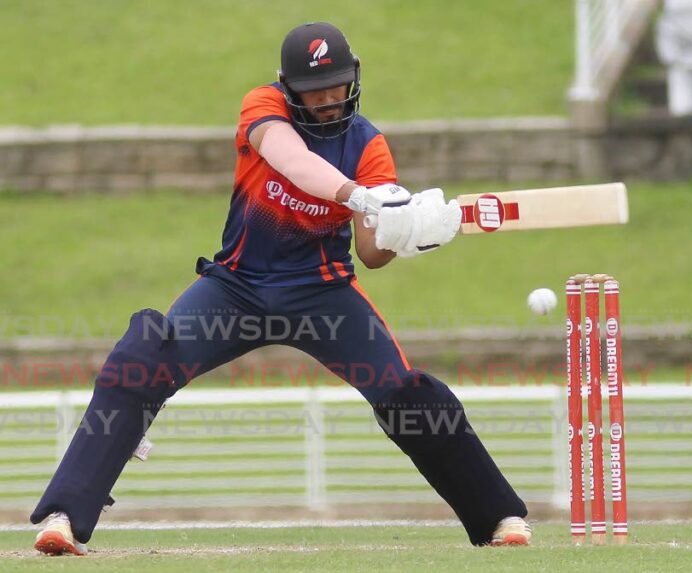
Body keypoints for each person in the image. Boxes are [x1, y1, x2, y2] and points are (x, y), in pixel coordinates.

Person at [30, 22, 530, 556]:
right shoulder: (262, 107)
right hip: (236, 289)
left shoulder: (368, 145)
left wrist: (412, 234)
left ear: (353, 78)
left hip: (323, 298)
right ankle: (64, 518)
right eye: (314, 91)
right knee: (140, 362)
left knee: (406, 393)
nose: (328, 99)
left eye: (337, 86)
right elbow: (293, 161)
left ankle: (500, 519)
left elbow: (371, 253)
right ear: (286, 87)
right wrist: (360, 196)